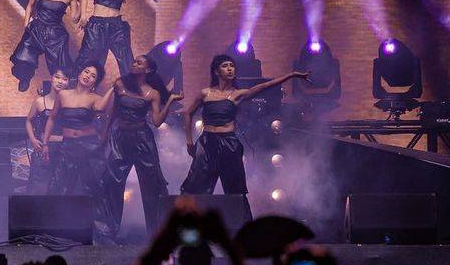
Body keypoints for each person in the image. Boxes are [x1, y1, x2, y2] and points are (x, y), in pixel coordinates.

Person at [181, 55, 309, 222]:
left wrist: (291, 75)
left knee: (236, 191)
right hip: (207, 143)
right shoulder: (205, 93)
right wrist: (189, 142)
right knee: (195, 188)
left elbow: (264, 86)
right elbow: (188, 113)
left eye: (232, 66)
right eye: (225, 66)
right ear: (216, 71)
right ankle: (191, 226)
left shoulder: (238, 94)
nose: (230, 69)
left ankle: (244, 229)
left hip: (229, 143)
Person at [100, 55, 182, 240]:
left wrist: (170, 101)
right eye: (134, 61)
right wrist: (105, 133)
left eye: (139, 62)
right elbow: (112, 111)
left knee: (151, 184)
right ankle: (110, 229)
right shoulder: (120, 84)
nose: (134, 64)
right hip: (120, 137)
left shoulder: (153, 93)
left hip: (142, 138)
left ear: (148, 69)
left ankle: (156, 231)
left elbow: (157, 121)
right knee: (112, 180)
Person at [40, 61, 112, 239]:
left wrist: (111, 89)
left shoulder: (95, 98)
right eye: (86, 72)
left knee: (93, 187)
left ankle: (100, 231)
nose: (88, 76)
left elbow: (104, 112)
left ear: (95, 82)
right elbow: (52, 118)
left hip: (89, 147)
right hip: (68, 146)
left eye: (93, 76)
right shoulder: (63, 94)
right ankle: (53, 228)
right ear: (80, 73)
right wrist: (45, 143)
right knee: (58, 185)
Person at [10, 0, 82, 92]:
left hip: (56, 33)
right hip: (36, 28)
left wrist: (82, 3)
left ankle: (56, 91)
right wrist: (26, 24)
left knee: (59, 65)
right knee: (23, 56)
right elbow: (30, 5)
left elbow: (74, 19)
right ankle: (25, 78)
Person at [23, 69, 69, 194]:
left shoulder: (70, 103)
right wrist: (33, 139)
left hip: (64, 148)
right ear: (51, 78)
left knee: (60, 188)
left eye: (64, 79)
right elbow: (28, 121)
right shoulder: (40, 101)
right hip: (44, 147)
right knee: (38, 186)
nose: (60, 81)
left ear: (68, 82)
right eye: (57, 77)